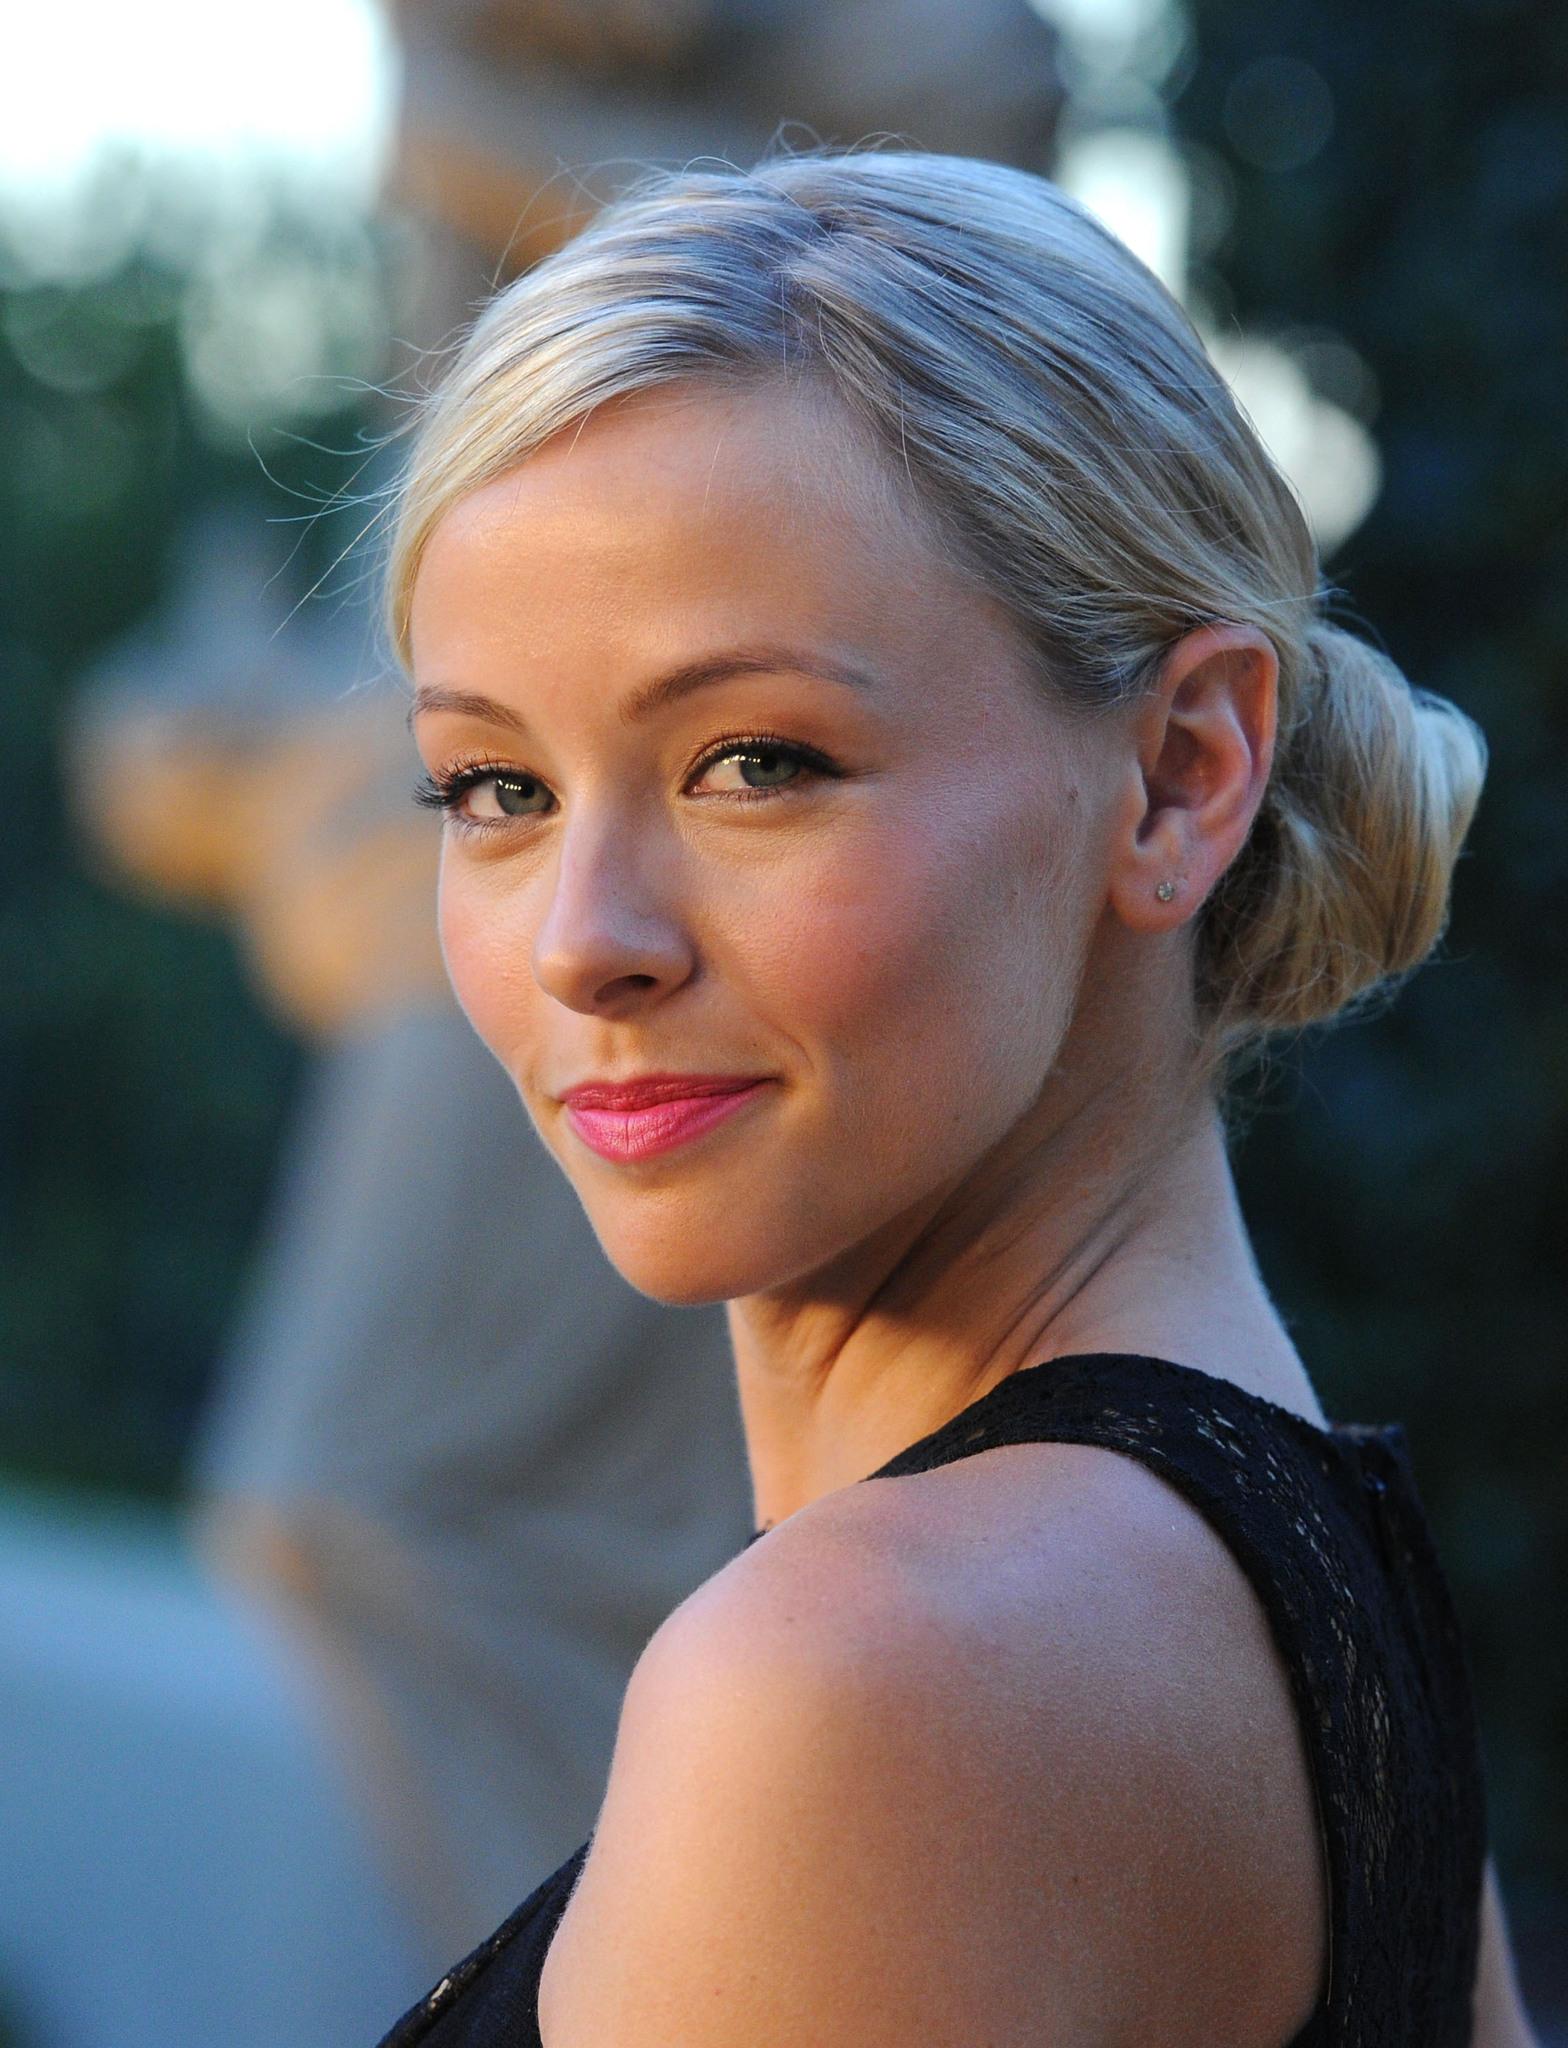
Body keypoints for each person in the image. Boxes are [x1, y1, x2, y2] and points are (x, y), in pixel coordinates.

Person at [371, 151, 1537, 2045]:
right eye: (496, 789)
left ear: (1181, 775)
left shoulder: (858, 1688)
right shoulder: (1322, 1609)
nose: (586, 942)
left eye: (756, 761)